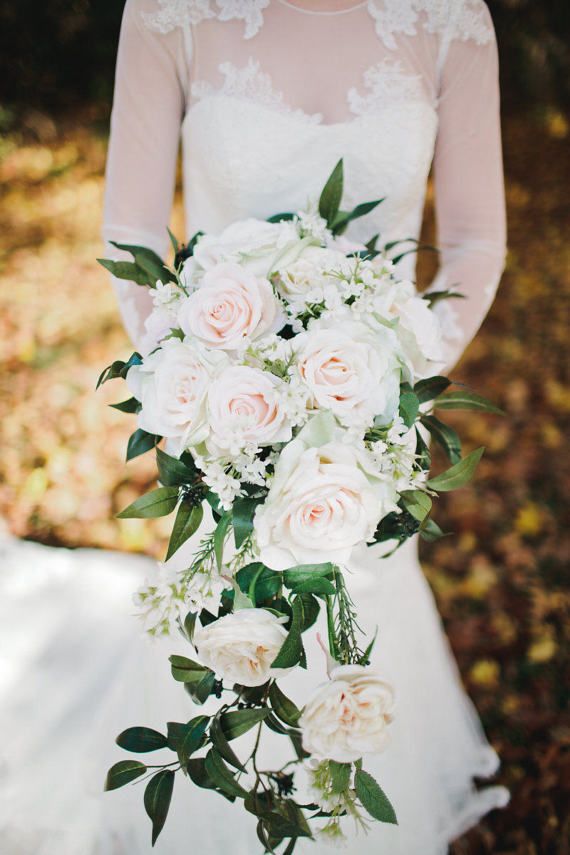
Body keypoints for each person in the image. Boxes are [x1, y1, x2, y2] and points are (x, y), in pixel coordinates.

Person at [0, 1, 509, 853]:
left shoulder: (451, 20)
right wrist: (196, 377)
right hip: (224, 420)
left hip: (371, 419)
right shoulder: (170, 14)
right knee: (230, 634)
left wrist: (390, 387)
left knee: (359, 620)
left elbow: (473, 244)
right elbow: (129, 229)